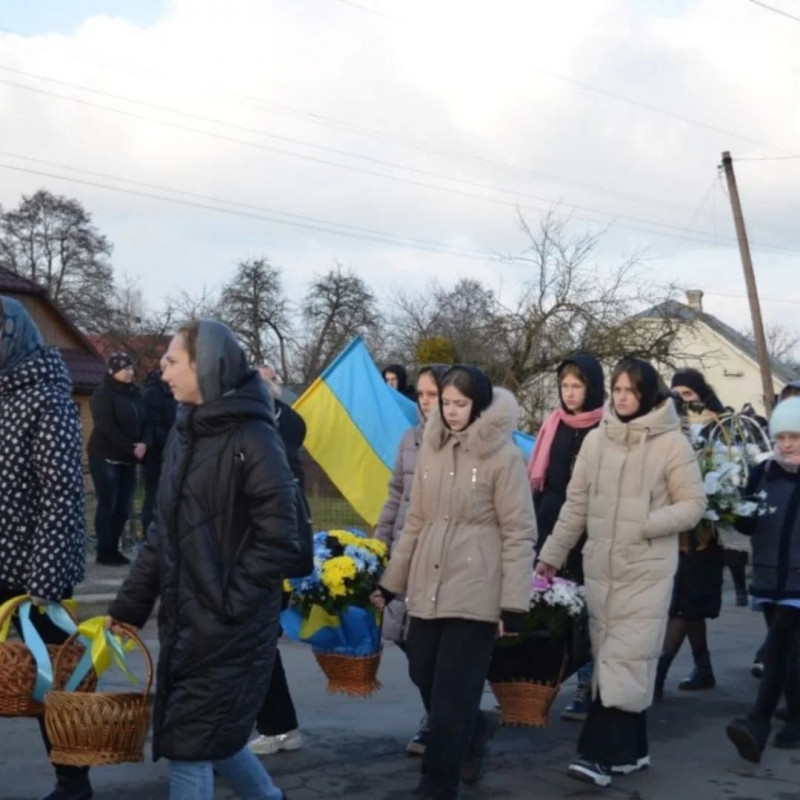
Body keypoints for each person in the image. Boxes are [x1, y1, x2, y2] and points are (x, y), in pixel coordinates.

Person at [108, 320, 298, 800]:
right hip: (189, 622)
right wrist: (128, 607)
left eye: (173, 361)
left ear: (205, 365)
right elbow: (162, 535)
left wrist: (231, 603)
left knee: (193, 747)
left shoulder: (255, 438)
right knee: (210, 735)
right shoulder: (185, 433)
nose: (162, 371)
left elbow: (279, 536)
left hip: (228, 627)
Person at [536, 357, 706, 788]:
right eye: (617, 390)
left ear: (649, 394)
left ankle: (595, 755)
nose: (622, 397)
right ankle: (632, 751)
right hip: (600, 569)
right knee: (619, 660)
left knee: (620, 660)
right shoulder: (597, 442)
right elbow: (576, 506)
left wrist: (646, 525)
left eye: (631, 390)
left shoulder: (672, 444)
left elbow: (693, 504)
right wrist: (551, 554)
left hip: (646, 570)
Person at [375, 365, 536, 800]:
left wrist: (513, 605)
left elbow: (520, 531)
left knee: (452, 693)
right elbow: (416, 523)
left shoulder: (504, 457)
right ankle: (477, 725)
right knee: (420, 667)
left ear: (478, 404)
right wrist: (391, 584)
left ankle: (437, 784)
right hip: (427, 585)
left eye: (460, 404)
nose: (450, 412)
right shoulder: (431, 449)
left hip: (477, 588)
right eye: (445, 404)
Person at [0, 297, 91, 800]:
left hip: (35, 572)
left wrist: (45, 582)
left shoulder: (48, 396)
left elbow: (62, 493)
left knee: (55, 682)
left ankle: (72, 783)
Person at [373, 363, 449, 756]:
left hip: (438, 557)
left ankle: (442, 721)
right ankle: (437, 715)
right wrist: (379, 542)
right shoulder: (408, 439)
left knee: (428, 646)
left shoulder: (457, 442)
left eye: (432, 395)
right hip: (403, 552)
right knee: (409, 644)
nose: (424, 402)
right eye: (420, 395)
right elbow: (395, 495)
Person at [527, 355, 604, 722]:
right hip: (550, 520)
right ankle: (539, 684)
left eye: (578, 385)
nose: (570, 393)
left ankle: (586, 686)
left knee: (586, 610)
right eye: (565, 386)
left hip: (590, 527)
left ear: (592, 387)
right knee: (549, 606)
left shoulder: (606, 428)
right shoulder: (554, 424)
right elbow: (540, 479)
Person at [726, 396, 800, 762]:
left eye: (795, 436)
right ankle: (797, 716)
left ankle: (758, 721)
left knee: (777, 646)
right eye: (782, 435)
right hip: (770, 575)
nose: (786, 444)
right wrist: (734, 506)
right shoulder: (764, 471)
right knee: (788, 652)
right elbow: (747, 523)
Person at [655, 368, 726, 697]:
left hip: (702, 534)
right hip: (676, 531)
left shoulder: (718, 427)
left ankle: (658, 672)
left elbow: (728, 471)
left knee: (684, 605)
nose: (681, 401)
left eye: (687, 394)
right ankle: (704, 668)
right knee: (687, 606)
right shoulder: (671, 429)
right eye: (676, 395)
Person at [248, 364, 307, 756]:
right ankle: (280, 725)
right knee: (260, 648)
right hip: (262, 565)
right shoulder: (268, 444)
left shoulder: (272, 449)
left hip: (263, 566)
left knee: (256, 646)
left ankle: (276, 727)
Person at [87, 352, 148, 565]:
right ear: (113, 371)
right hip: (106, 457)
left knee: (123, 506)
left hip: (130, 458)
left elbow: (146, 420)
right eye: (126, 369)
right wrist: (130, 448)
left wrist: (144, 444)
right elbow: (106, 428)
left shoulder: (136, 394)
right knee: (108, 504)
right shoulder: (102, 395)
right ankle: (105, 550)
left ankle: (114, 548)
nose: (131, 372)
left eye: (131, 368)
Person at [141, 369, 177, 535]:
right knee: (154, 497)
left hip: (171, 451)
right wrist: (173, 442)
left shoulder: (173, 392)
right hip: (157, 455)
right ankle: (150, 537)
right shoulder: (154, 394)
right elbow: (153, 427)